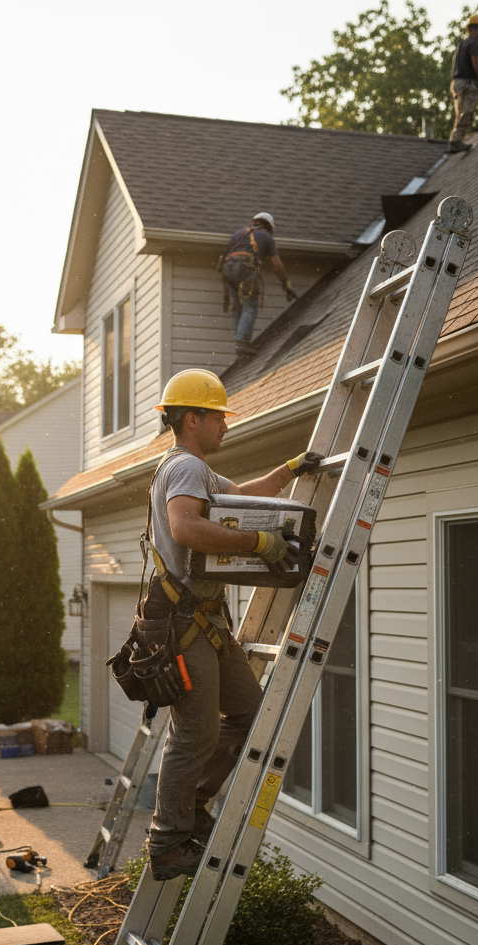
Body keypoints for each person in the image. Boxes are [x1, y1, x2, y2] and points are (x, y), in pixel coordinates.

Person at [143, 368, 322, 880]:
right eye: (218, 417)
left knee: (248, 714)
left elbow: (242, 494)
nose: (226, 425)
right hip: (184, 622)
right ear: (192, 419)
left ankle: (192, 806)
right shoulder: (185, 468)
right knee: (194, 733)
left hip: (204, 620)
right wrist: (258, 543)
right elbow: (186, 527)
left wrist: (288, 470)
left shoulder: (192, 469)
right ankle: (168, 842)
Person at [220, 212, 297, 359]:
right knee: (250, 304)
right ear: (270, 227)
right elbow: (276, 265)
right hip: (245, 267)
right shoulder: (267, 237)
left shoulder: (238, 234)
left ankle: (239, 343)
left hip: (228, 268)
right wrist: (286, 284)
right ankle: (242, 342)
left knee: (237, 307)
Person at [447, 14, 478, 154]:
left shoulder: (462, 44)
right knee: (466, 112)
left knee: (461, 113)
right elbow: (477, 64)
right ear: (476, 29)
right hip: (467, 84)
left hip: (457, 83)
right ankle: (455, 142)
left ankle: (455, 140)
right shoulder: (474, 43)